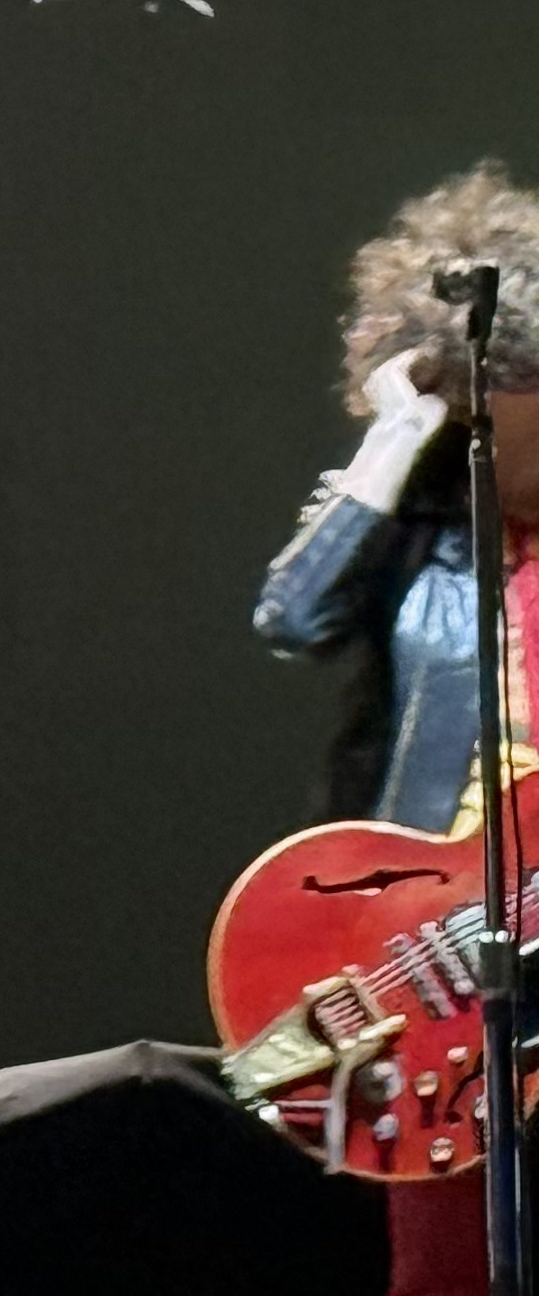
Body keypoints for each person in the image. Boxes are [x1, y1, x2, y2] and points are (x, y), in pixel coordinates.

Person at [253, 162, 539, 1296]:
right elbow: (294, 617)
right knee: (447, 1263)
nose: (491, 417)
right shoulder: (419, 530)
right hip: (452, 970)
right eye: (475, 394)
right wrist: (392, 435)